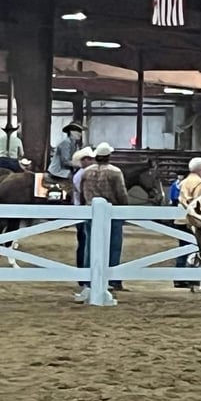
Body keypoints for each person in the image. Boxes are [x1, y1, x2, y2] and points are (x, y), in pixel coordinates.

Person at [81, 142, 129, 292]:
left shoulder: (86, 171)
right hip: (111, 211)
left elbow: (81, 191)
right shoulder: (115, 172)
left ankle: (88, 278)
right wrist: (124, 208)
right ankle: (113, 279)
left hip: (90, 211)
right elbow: (121, 193)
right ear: (109, 156)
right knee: (114, 245)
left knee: (90, 244)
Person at [173, 157, 201, 288]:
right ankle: (188, 276)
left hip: (179, 217)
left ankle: (179, 277)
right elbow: (199, 203)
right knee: (193, 248)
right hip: (191, 219)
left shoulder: (185, 181)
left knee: (182, 248)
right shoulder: (200, 183)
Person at [71, 146, 95, 288]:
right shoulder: (82, 175)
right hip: (83, 211)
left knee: (84, 243)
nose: (92, 161)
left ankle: (83, 275)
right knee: (84, 243)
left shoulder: (81, 174)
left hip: (80, 210)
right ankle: (83, 275)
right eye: (89, 159)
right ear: (84, 160)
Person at [47, 121, 85, 191]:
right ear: (71, 132)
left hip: (65, 171)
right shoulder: (66, 142)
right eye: (78, 131)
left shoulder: (74, 144)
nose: (80, 134)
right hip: (58, 171)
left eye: (80, 131)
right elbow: (65, 161)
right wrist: (81, 164)